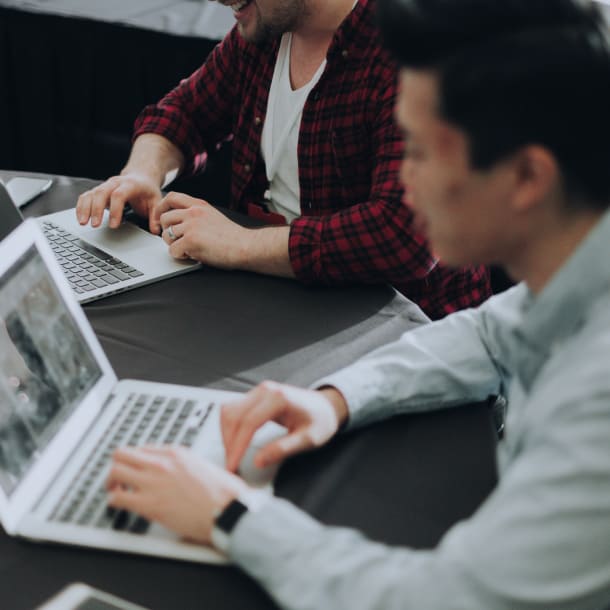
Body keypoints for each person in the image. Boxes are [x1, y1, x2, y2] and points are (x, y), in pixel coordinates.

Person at [105, 0, 610, 607]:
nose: (404, 181)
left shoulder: (594, 411)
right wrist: (333, 400)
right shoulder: (573, 279)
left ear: (528, 178)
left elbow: (444, 599)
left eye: (419, 151)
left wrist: (231, 516)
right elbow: (489, 334)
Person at [74, 0, 490, 320]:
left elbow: (405, 236)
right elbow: (184, 114)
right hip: (283, 303)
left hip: (402, 335)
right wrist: (142, 174)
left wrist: (240, 243)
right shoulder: (267, 28)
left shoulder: (414, 45)